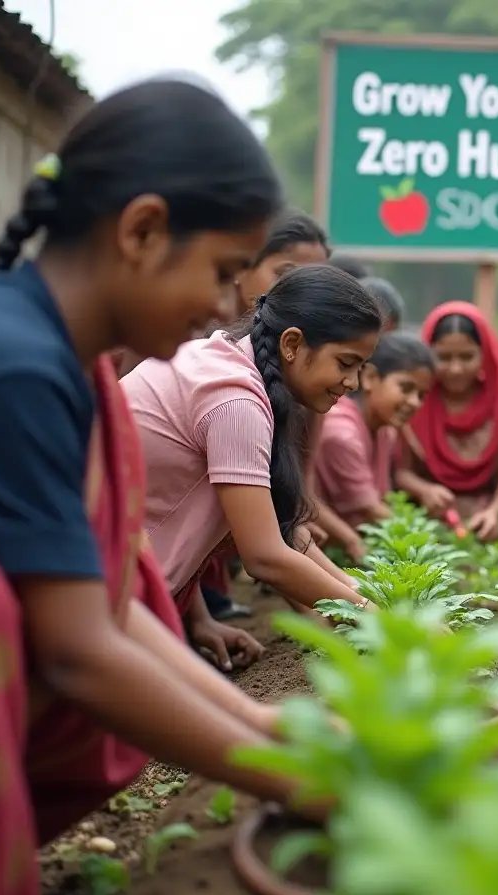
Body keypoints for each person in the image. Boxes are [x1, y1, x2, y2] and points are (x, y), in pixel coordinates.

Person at [0, 78, 316, 895]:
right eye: (223, 273)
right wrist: (295, 779)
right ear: (143, 230)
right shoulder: (7, 363)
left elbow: (112, 605)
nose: (227, 308)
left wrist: (265, 728)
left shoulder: (70, 366)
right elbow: (80, 648)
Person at [123, 264, 380, 643]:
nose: (353, 383)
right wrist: (374, 619)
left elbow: (279, 528)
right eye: (345, 363)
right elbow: (265, 555)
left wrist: (362, 598)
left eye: (360, 367)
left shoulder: (221, 361)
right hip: (103, 605)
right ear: (291, 345)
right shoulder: (235, 401)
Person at [202, 208, 334, 624]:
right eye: (286, 274)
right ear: (242, 268)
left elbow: (280, 515)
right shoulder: (214, 369)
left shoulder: (290, 364)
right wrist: (363, 613)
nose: (303, 297)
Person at [396, 301, 498, 540]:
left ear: (484, 353)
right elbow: (402, 472)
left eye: (467, 357)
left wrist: (495, 512)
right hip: (430, 521)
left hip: (492, 519)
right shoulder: (414, 401)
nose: (455, 369)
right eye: (443, 357)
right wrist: (424, 490)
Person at [314, 331, 434, 544]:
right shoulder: (342, 435)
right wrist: (430, 540)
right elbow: (372, 510)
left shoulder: (385, 431)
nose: (415, 402)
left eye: (421, 395)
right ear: (370, 378)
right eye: (406, 388)